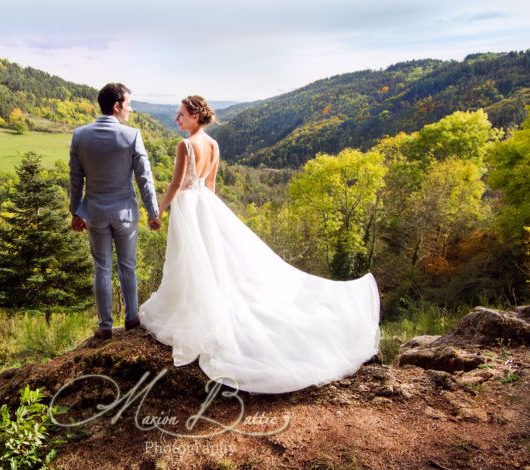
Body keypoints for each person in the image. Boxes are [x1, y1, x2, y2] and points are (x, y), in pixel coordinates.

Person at [138, 95, 381, 394]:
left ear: (195, 117)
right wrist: (212, 215)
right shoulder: (213, 145)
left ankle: (195, 306)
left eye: (181, 115)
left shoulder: (185, 145)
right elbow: (211, 186)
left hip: (188, 207)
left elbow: (176, 184)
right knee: (209, 261)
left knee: (188, 261)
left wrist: (159, 212)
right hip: (206, 206)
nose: (177, 119)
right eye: (177, 114)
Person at [69, 83, 161, 341]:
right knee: (128, 267)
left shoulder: (79, 136)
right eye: (128, 104)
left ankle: (105, 325)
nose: (130, 109)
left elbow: (75, 180)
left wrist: (76, 212)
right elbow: (145, 178)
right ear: (116, 106)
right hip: (125, 215)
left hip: (95, 214)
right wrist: (153, 212)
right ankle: (132, 318)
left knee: (102, 268)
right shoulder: (131, 136)